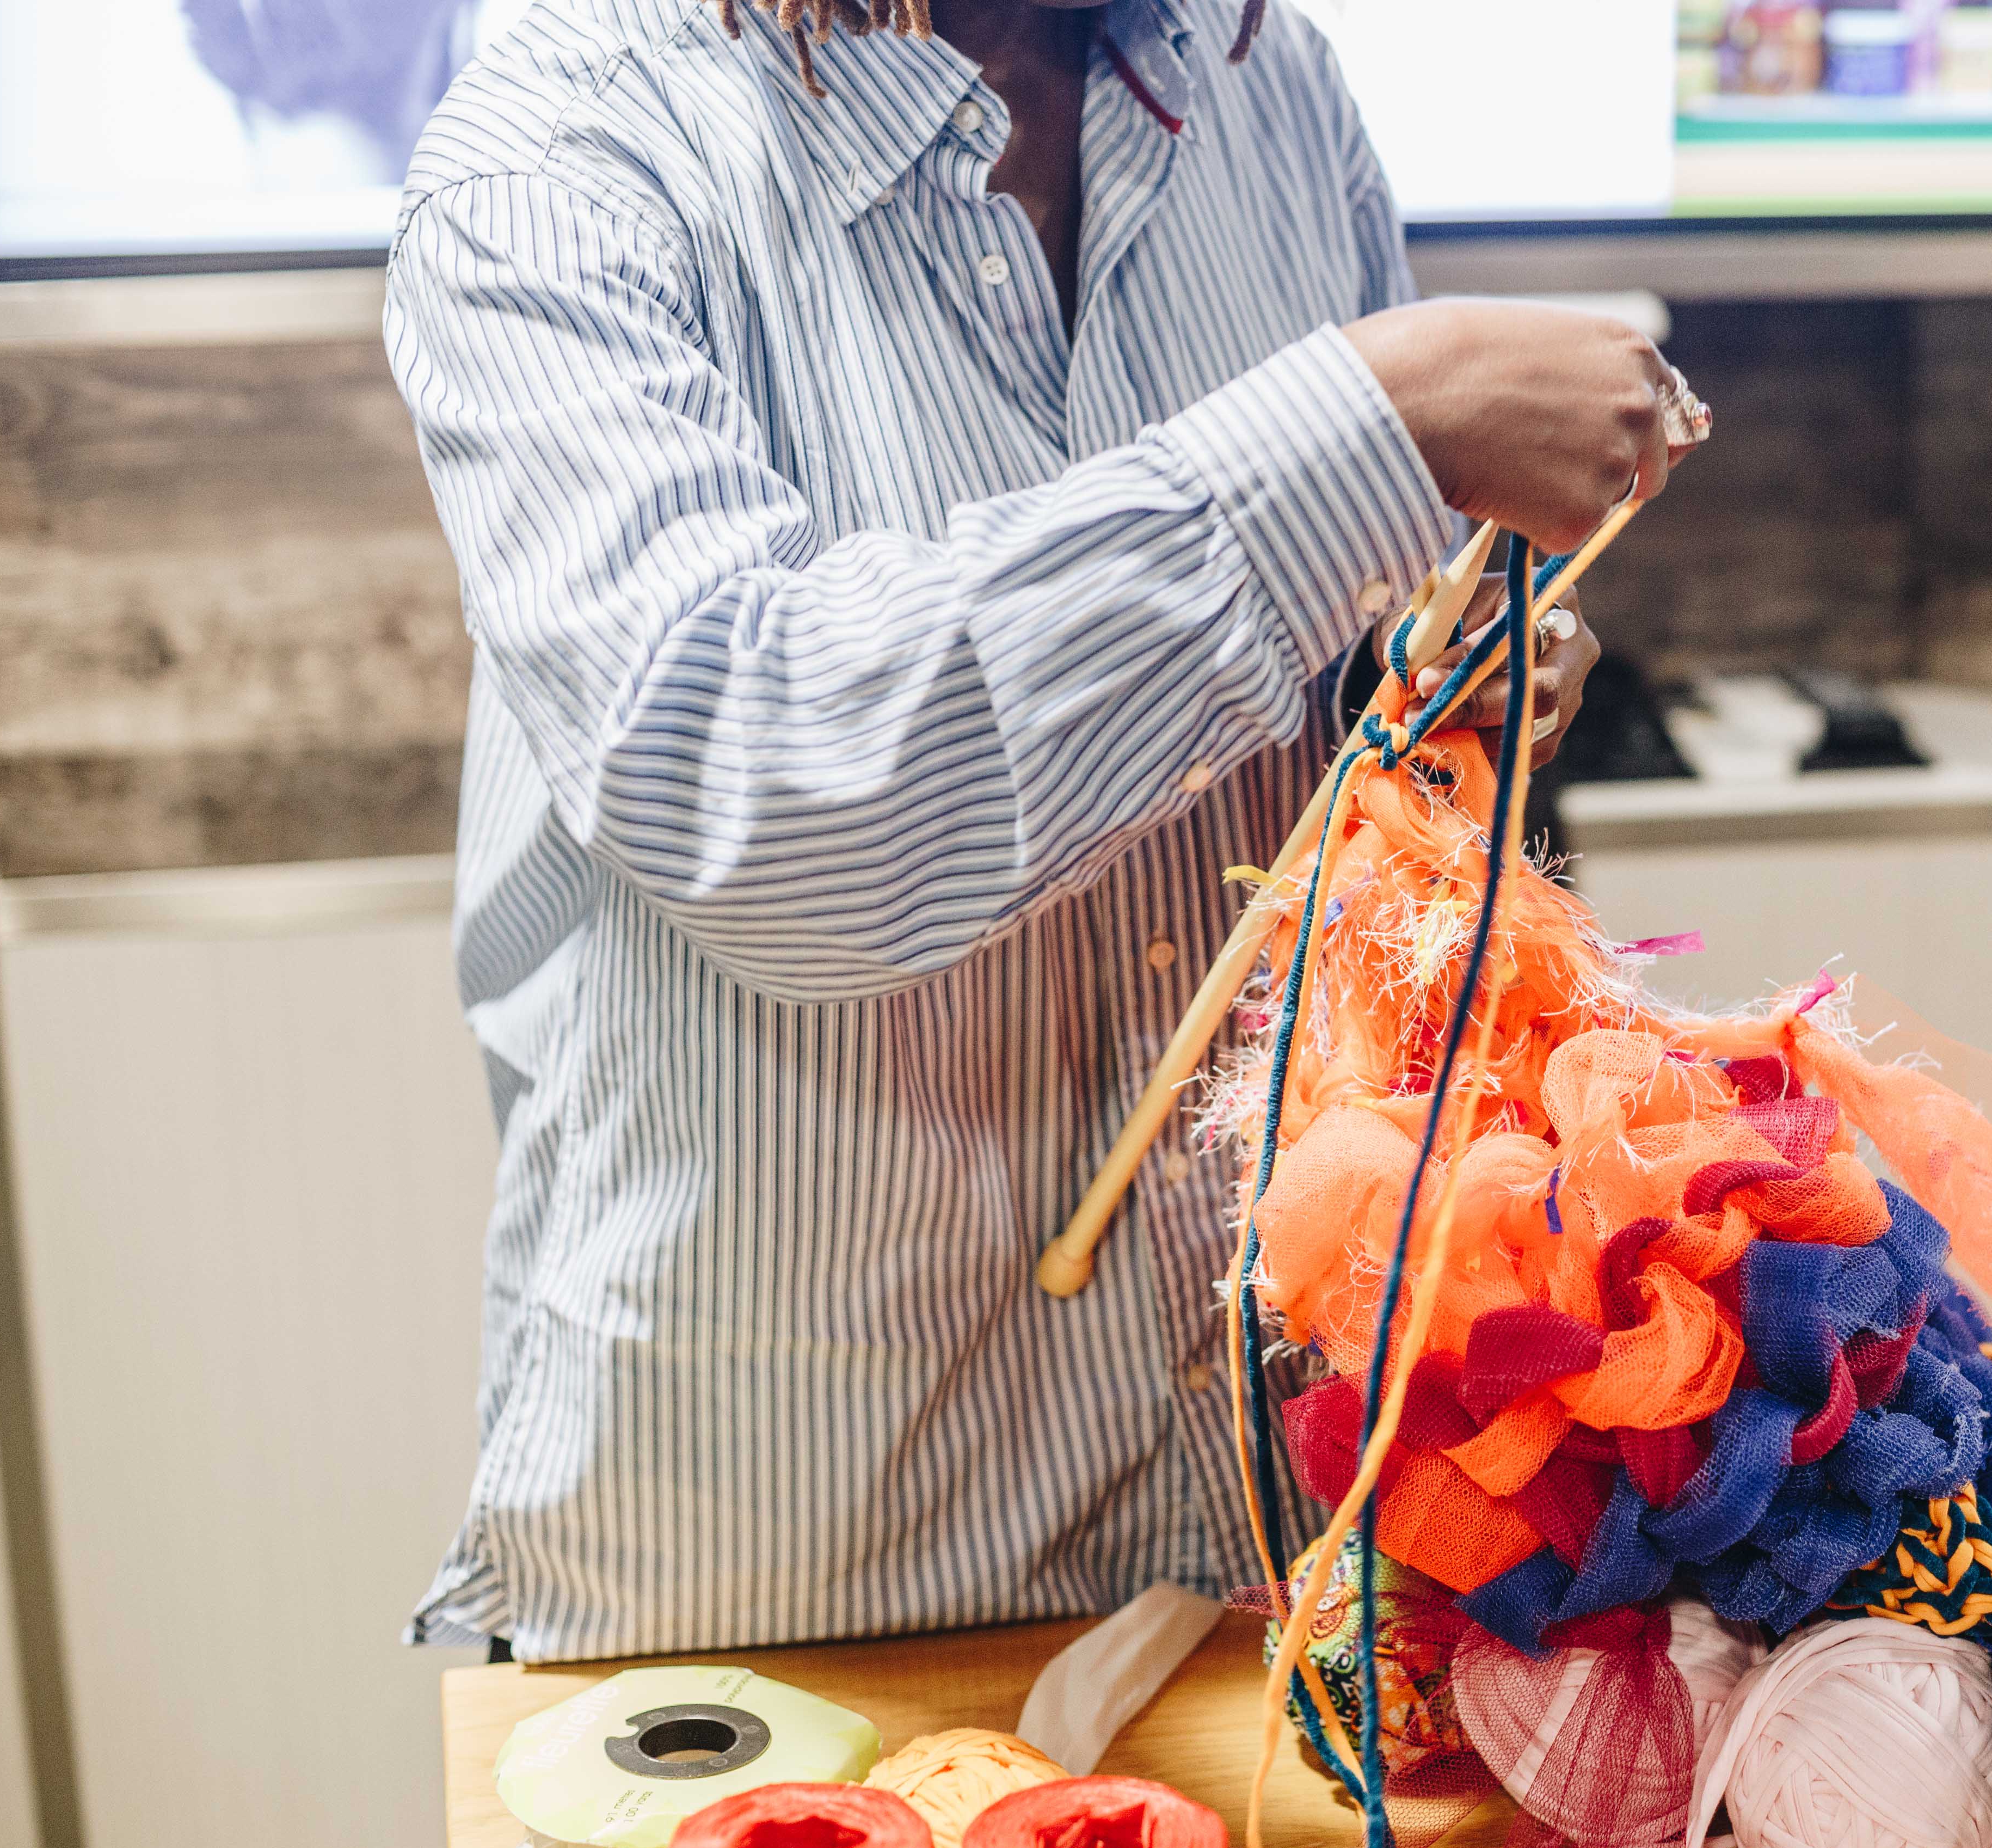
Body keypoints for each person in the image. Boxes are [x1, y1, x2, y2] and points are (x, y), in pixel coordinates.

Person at [386, 0, 1697, 1660]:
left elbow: (1356, 614)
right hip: (813, 1572)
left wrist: (1435, 661)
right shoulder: (559, 166)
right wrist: (1373, 424)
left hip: (1286, 1521)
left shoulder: (1256, 82)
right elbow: (784, 798)